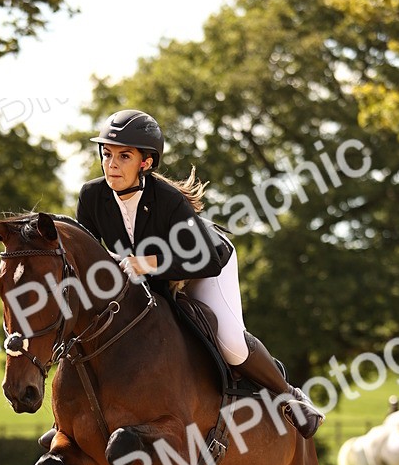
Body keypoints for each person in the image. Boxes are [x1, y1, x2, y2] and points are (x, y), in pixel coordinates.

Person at [75, 109, 322, 438]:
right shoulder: (91, 197)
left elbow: (206, 259)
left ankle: (290, 396)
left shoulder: (168, 200)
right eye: (106, 154)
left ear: (146, 163)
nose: (111, 164)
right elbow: (88, 258)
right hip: (151, 278)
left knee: (231, 344)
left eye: (123, 156)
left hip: (206, 263)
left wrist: (146, 263)